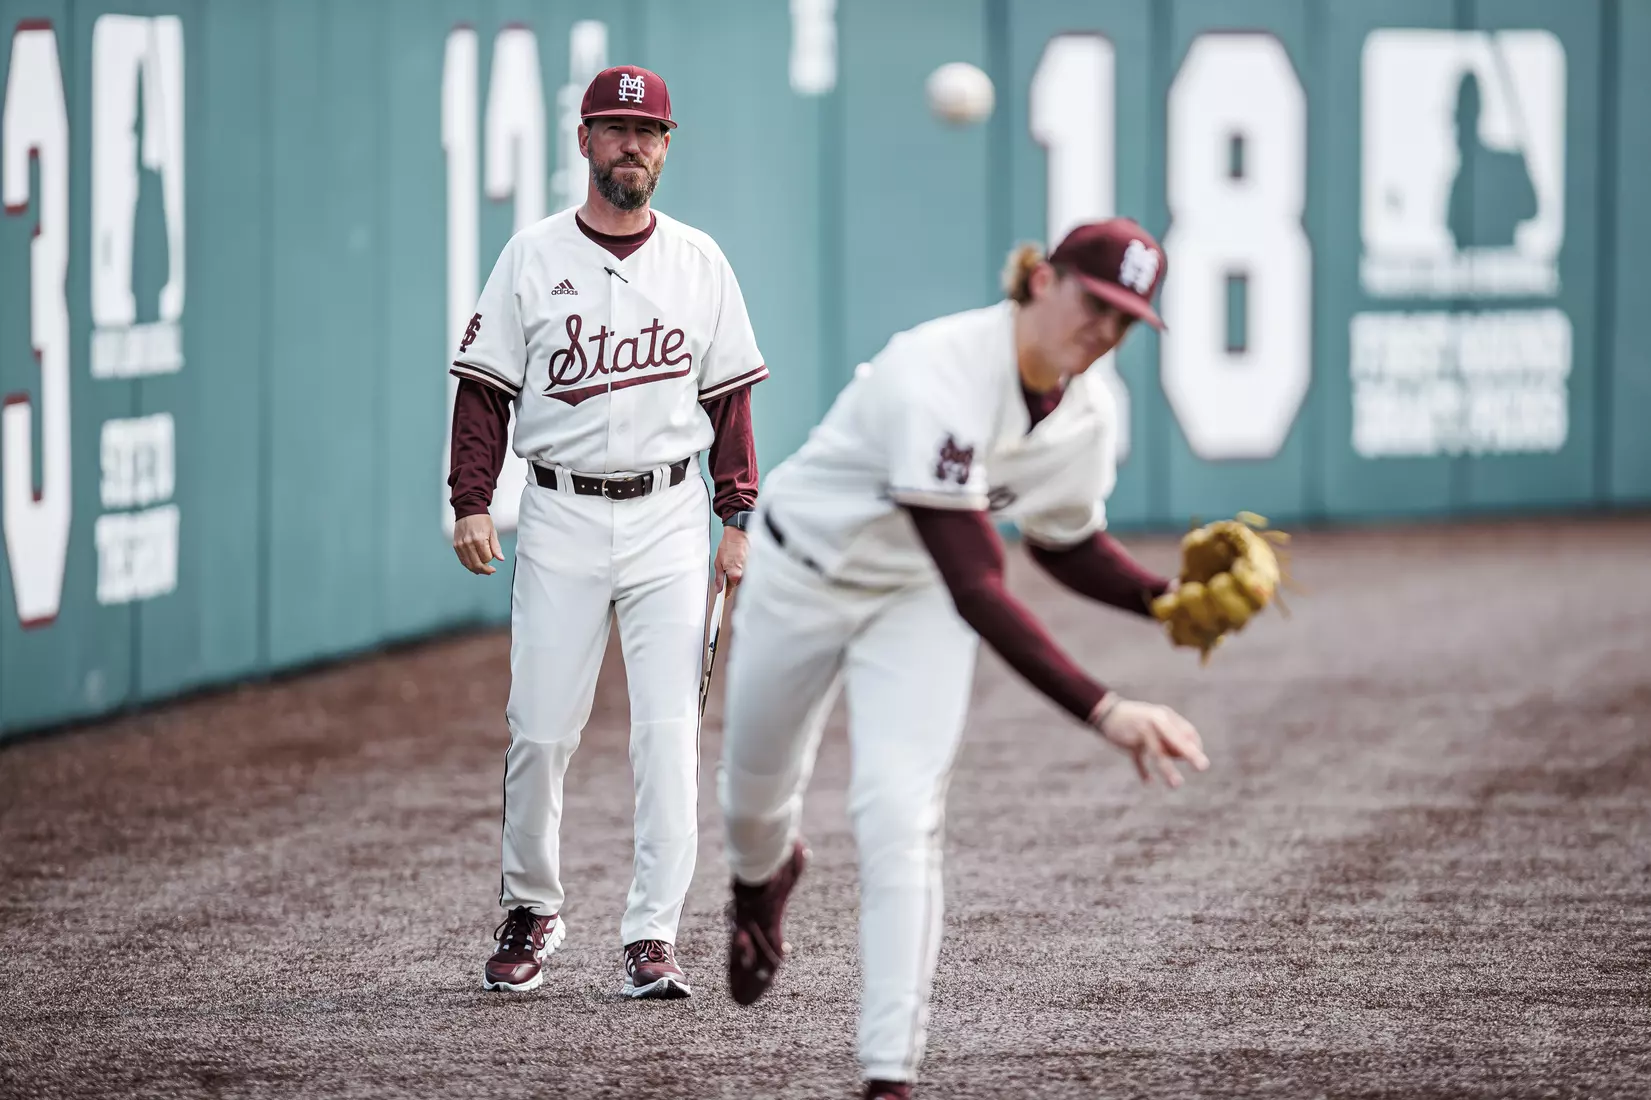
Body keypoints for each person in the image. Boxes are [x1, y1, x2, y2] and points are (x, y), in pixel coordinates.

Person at [716, 219, 1206, 1097]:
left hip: (914, 601)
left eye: (1125, 319)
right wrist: (1106, 707)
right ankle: (763, 875)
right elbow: (983, 585)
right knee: (751, 800)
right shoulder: (935, 369)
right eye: (1095, 303)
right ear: (1041, 281)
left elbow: (1062, 541)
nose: (1103, 330)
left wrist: (1166, 601)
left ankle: (888, 1074)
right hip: (801, 575)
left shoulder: (1092, 410)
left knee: (898, 815)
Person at [447, 64, 767, 1000]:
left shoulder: (699, 260)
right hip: (559, 513)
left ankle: (653, 933)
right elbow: (483, 390)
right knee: (540, 729)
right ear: (583, 140)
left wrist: (735, 515)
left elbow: (731, 400)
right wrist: (472, 497)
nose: (633, 145)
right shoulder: (531, 256)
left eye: (650, 132)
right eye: (616, 129)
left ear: (668, 146)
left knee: (667, 734)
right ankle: (532, 907)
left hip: (670, 515)